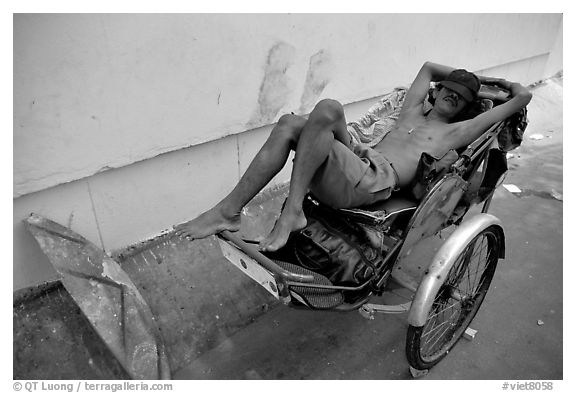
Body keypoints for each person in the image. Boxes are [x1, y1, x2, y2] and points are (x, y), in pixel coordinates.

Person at [174, 61, 532, 251]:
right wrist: (470, 77)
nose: (454, 96)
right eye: (450, 90)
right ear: (436, 93)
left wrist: (487, 89)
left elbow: (522, 97)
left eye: (462, 98)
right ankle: (228, 212)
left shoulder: (456, 131)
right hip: (359, 159)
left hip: (375, 181)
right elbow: (427, 67)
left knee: (328, 108)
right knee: (287, 124)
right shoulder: (410, 111)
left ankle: (292, 211)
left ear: (465, 110)